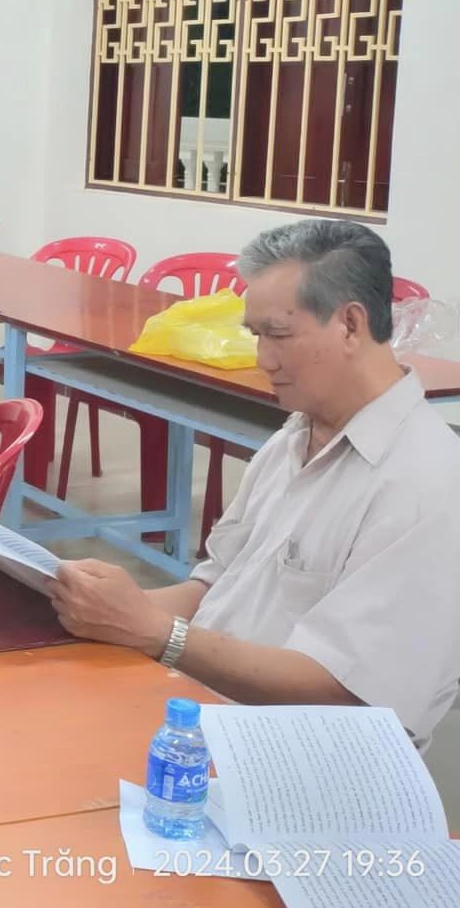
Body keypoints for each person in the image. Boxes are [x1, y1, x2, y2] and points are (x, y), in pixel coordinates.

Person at [48, 220, 460, 749]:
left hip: (302, 761)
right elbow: (217, 586)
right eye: (256, 336)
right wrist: (103, 608)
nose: (263, 360)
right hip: (206, 714)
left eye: (278, 335)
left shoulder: (425, 483)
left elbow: (349, 694)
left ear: (351, 325)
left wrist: (157, 634)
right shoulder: (296, 437)